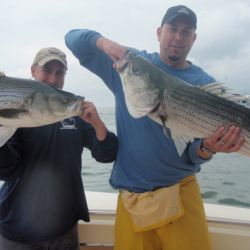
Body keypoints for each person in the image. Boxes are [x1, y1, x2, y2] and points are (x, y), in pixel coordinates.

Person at [65, 5, 245, 250]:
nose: (178, 37)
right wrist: (106, 45)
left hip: (181, 193)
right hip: (132, 199)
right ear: (159, 32)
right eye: (172, 28)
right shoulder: (131, 66)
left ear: (194, 38)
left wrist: (207, 149)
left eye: (186, 31)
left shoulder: (203, 83)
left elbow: (193, 152)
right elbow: (73, 39)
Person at [0, 47, 118, 250]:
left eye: (60, 73)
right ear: (33, 70)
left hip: (64, 229)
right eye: (47, 70)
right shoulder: (17, 117)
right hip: (17, 229)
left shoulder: (74, 114)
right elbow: (8, 171)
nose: (53, 79)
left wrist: (98, 125)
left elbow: (106, 155)